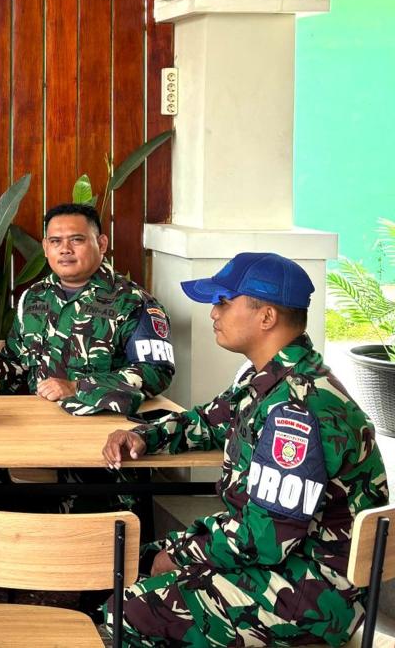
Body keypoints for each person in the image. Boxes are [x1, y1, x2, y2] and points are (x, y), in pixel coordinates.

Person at [102, 252, 389, 647]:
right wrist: (143, 436)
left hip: (310, 594)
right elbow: (209, 421)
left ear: (266, 317)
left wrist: (176, 555)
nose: (213, 313)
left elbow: (263, 539)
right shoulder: (273, 379)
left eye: (223, 302)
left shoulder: (297, 408)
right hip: (285, 565)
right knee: (130, 559)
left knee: (129, 609)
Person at [0, 202, 174, 415]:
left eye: (77, 240)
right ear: (45, 248)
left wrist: (78, 387)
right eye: (55, 241)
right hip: (38, 420)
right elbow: (12, 360)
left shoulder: (134, 302)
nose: (65, 249)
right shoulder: (34, 297)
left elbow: (156, 371)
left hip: (101, 422)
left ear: (101, 244)